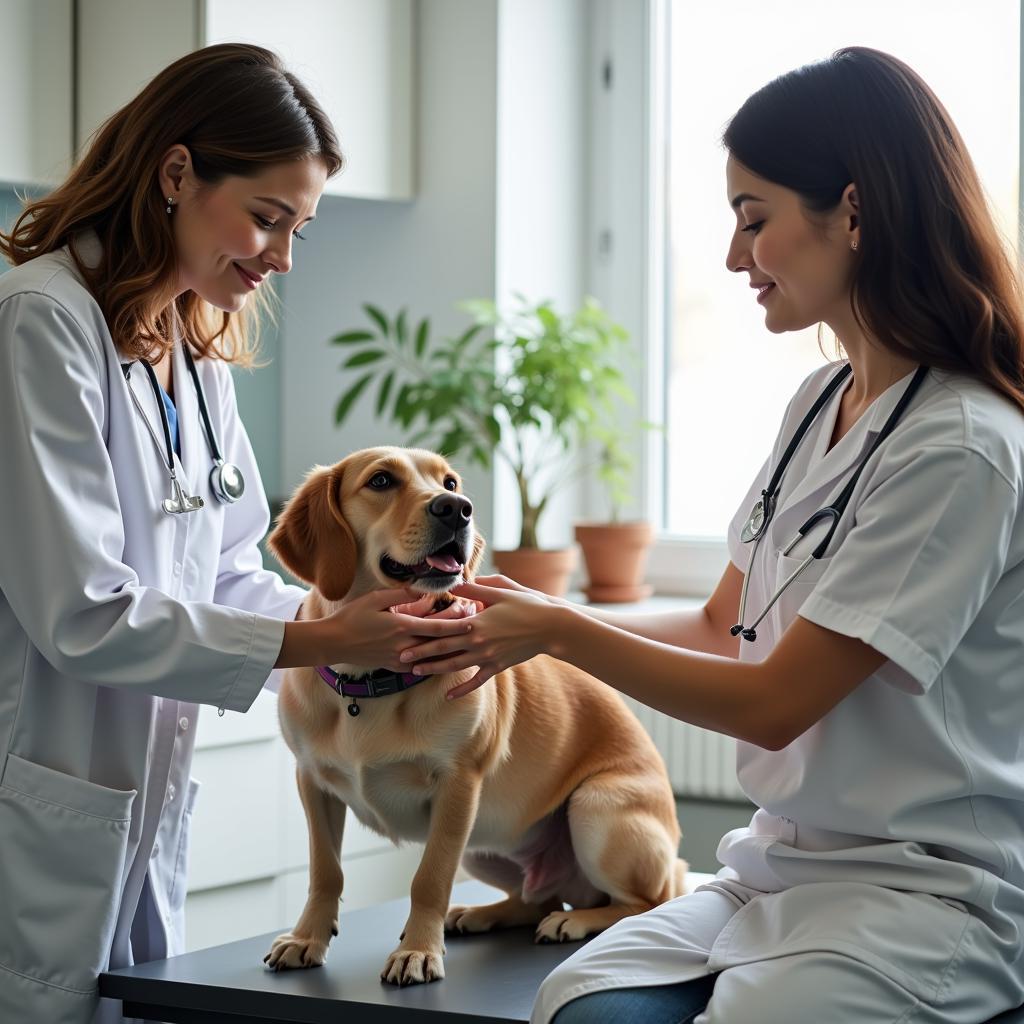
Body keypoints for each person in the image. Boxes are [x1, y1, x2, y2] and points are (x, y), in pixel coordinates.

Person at [400, 47, 1024, 1024]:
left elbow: (775, 701)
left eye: (753, 219)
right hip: (772, 873)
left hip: (924, 893)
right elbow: (719, 628)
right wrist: (505, 619)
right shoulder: (820, 400)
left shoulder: (961, 446)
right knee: (572, 1004)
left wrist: (558, 629)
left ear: (851, 213)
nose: (735, 257)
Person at [0, 43, 473, 1024]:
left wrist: (383, 619)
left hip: (136, 798)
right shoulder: (39, 324)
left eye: (297, 228)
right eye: (267, 219)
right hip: (42, 781)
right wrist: (324, 639)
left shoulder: (195, 350)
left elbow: (225, 571)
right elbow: (80, 612)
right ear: (177, 174)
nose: (281, 258)